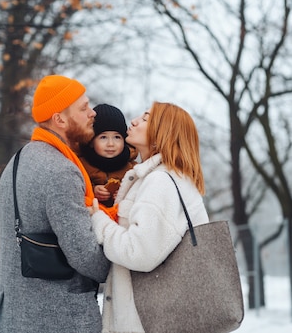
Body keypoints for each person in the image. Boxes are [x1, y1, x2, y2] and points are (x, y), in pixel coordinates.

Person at [0, 75, 111, 333]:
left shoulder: (17, 161)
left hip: (16, 316)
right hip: (58, 318)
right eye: (83, 108)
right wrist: (124, 259)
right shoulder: (60, 171)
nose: (92, 114)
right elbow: (86, 257)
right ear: (60, 119)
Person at [89, 101, 210, 333]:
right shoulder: (155, 177)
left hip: (146, 322)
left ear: (160, 134)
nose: (133, 121)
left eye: (145, 118)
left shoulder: (161, 181)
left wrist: (99, 221)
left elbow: (139, 253)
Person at [79, 103, 138, 208]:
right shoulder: (81, 165)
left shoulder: (133, 169)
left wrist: (125, 195)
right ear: (91, 141)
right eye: (103, 137)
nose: (111, 144)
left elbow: (140, 194)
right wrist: (93, 190)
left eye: (117, 137)